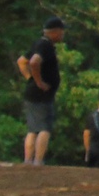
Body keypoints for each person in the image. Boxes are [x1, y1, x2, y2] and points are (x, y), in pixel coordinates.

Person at [17, 15, 66, 165]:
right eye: (62, 31)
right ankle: (38, 160)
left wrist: (29, 78)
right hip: (41, 94)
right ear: (55, 31)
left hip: (32, 92)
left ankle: (28, 160)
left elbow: (21, 61)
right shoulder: (45, 46)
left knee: (32, 129)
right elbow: (33, 62)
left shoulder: (38, 43)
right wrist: (38, 81)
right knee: (44, 128)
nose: (63, 35)